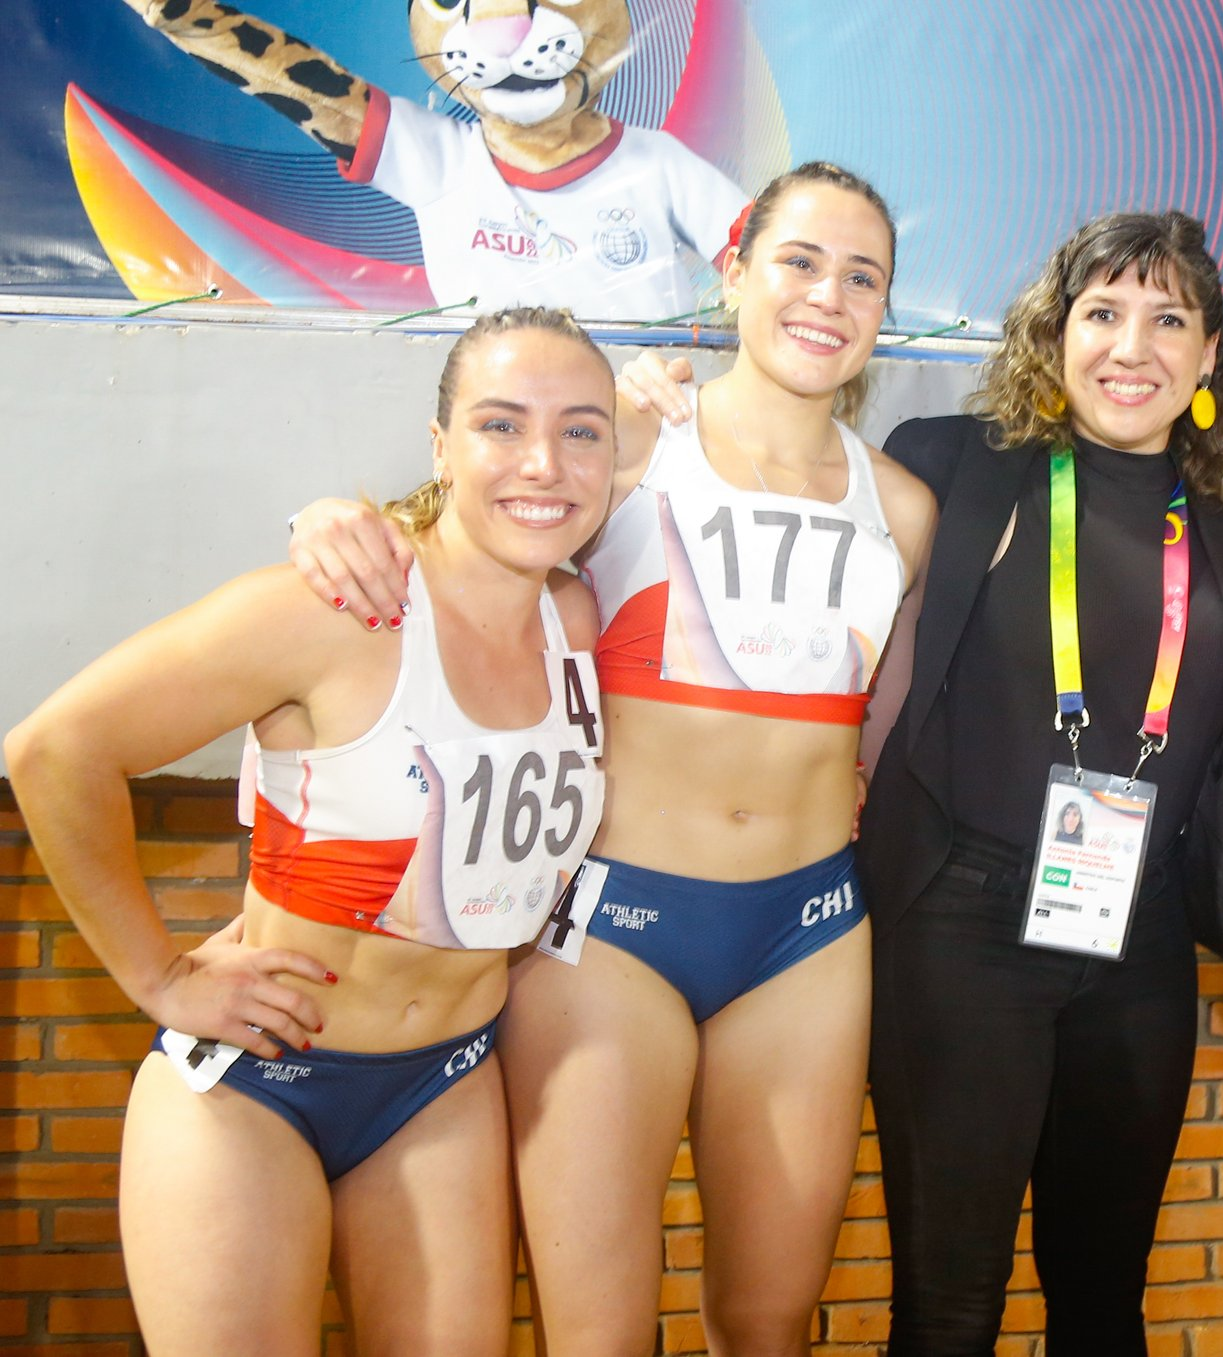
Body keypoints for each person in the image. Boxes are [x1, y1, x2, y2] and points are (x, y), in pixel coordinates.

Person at [285, 163, 938, 1354]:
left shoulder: (901, 506)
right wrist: (334, 516)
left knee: (769, 1317)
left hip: (809, 935)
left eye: (862, 277)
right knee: (596, 1330)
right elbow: (454, 534)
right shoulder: (631, 442)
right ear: (731, 270)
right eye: (796, 261)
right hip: (614, 932)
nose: (825, 296)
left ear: (885, 309)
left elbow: (877, 730)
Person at [4, 306, 616, 1356]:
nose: (542, 462)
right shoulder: (336, 611)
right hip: (253, 1088)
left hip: (443, 1084)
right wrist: (156, 975)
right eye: (500, 425)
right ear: (440, 445)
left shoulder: (576, 620)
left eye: (581, 430)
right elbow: (54, 751)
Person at [850, 210, 1223, 1354]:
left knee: (1102, 1303)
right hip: (960, 927)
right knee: (949, 1309)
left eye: (1166, 319)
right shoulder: (953, 461)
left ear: (1204, 360)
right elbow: (785, 513)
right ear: (1055, 334)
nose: (1129, 346)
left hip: (1136, 938)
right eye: (1102, 313)